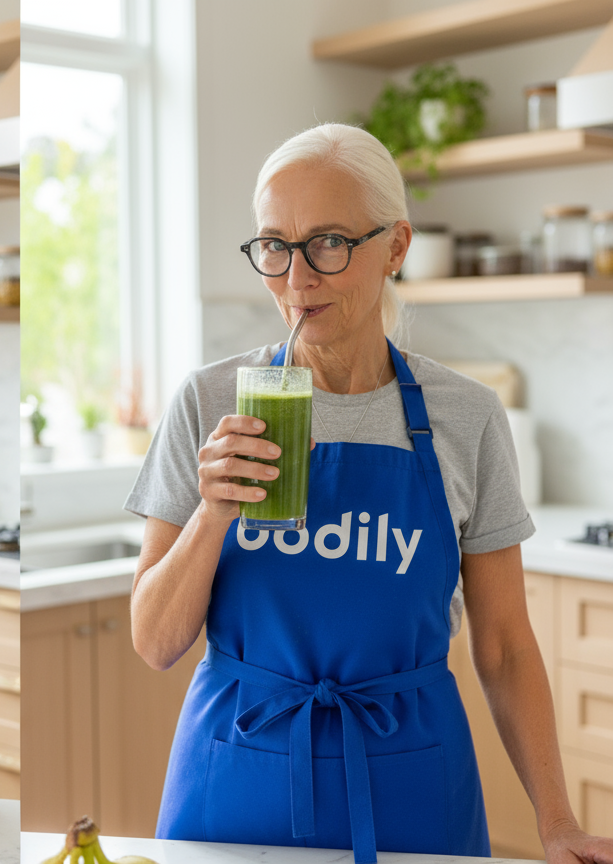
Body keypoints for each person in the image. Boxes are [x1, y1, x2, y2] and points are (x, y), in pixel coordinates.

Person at [125, 123, 613, 863]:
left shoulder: (467, 416)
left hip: (411, 784)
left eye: (328, 242)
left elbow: (507, 646)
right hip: (236, 779)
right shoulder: (210, 400)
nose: (296, 278)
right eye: (274, 246)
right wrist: (212, 512)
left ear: (395, 246)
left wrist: (556, 821)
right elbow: (156, 642)